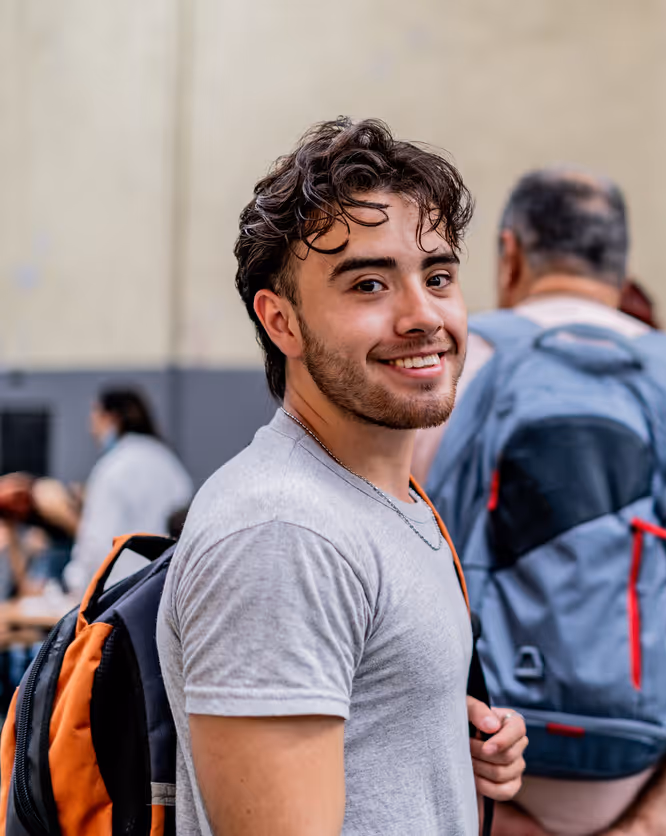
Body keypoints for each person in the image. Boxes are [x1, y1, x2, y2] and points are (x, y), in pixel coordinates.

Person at [156, 117, 527, 835]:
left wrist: (433, 731)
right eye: (368, 285)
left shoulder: (388, 500)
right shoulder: (283, 533)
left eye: (439, 276)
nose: (424, 316)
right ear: (281, 322)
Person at [412, 167, 666, 836]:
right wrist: (652, 825)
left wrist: (504, 820)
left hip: (471, 809)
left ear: (510, 255)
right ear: (621, 269)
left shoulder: (437, 376)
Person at [60, 388, 193, 592]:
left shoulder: (112, 467)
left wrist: (74, 584)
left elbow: (95, 542)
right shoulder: (169, 463)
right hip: (165, 590)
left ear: (110, 418)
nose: (91, 429)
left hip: (117, 595)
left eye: (94, 417)